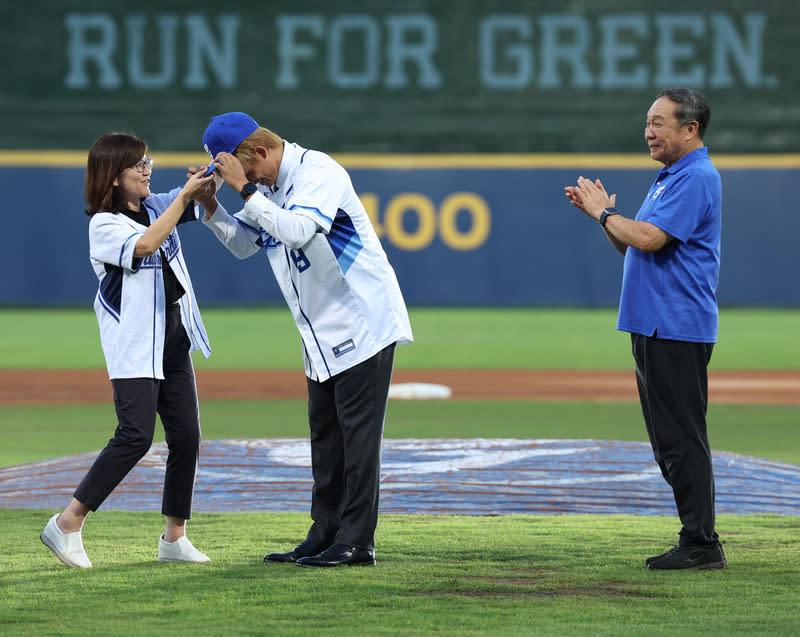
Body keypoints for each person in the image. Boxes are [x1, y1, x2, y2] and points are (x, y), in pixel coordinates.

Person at [196, 112, 413, 567]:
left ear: (258, 151)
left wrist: (244, 189)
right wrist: (212, 207)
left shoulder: (319, 171)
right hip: (319, 331)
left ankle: (357, 542)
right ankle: (325, 532)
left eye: (241, 167)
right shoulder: (270, 188)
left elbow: (297, 231)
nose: (244, 177)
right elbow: (245, 244)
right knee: (327, 439)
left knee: (357, 440)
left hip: (361, 321)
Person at [564, 88, 725, 570]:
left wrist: (604, 213)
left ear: (690, 128)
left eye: (659, 122)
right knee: (668, 440)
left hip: (675, 324)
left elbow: (650, 239)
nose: (648, 131)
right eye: (647, 122)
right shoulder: (670, 177)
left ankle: (702, 543)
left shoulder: (695, 176)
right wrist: (605, 221)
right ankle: (697, 538)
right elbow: (635, 245)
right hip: (656, 324)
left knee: (681, 438)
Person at [40, 133, 215, 568]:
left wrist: (211, 180)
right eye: (137, 165)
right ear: (113, 177)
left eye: (147, 161)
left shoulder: (156, 204)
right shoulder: (104, 224)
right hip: (136, 347)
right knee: (135, 436)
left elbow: (190, 199)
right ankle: (66, 524)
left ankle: (174, 539)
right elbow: (146, 244)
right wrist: (183, 199)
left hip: (173, 341)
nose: (146, 169)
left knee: (187, 438)